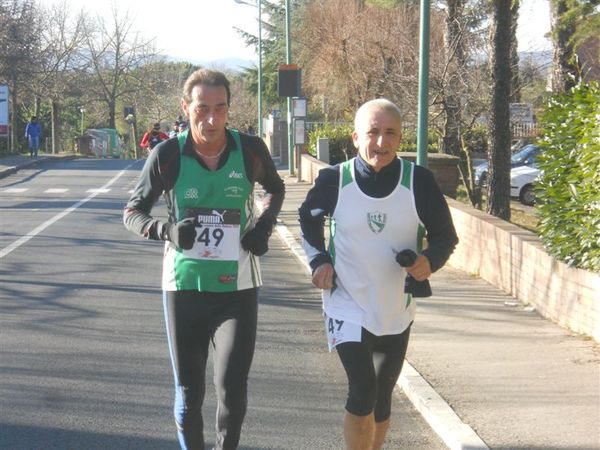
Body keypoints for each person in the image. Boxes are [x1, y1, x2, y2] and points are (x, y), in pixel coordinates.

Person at [123, 68, 285, 450]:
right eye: (201, 109)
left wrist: (263, 228)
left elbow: (275, 190)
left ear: (229, 109)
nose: (211, 119)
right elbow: (132, 212)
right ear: (186, 107)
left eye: (220, 108)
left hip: (238, 288)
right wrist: (166, 231)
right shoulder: (167, 155)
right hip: (184, 288)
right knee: (189, 391)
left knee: (231, 387)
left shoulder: (249, 150)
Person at [298, 98, 458, 450]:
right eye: (373, 133)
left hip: (395, 307)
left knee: (383, 396)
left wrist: (427, 261)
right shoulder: (333, 180)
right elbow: (307, 219)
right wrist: (319, 260)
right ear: (356, 138)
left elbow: (447, 237)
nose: (381, 143)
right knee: (363, 388)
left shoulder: (419, 181)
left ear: (400, 138)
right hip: (346, 303)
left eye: (390, 134)